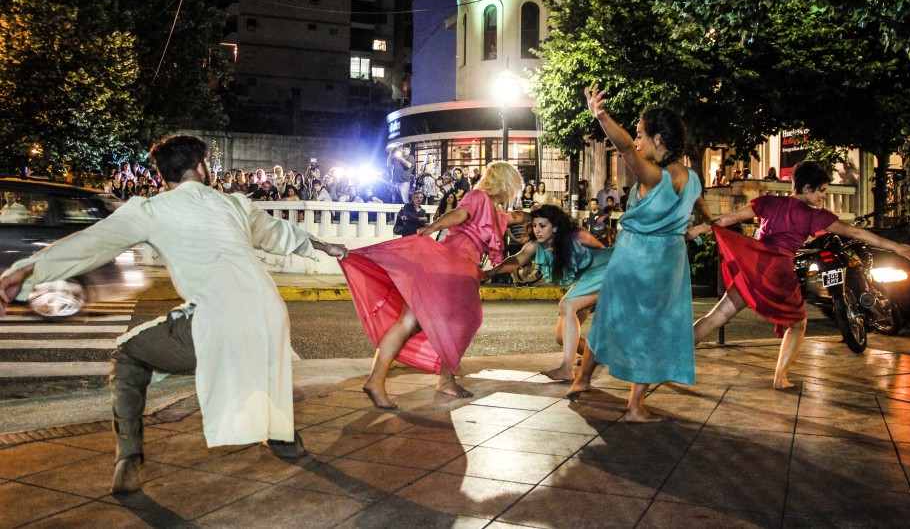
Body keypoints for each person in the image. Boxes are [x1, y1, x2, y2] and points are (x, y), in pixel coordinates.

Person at [0, 135, 348, 494]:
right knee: (256, 359)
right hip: (270, 313)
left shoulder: (151, 210)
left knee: (127, 355)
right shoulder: (234, 204)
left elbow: (88, 243)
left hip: (219, 317)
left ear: (162, 174)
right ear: (200, 167)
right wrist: (326, 246)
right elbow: (279, 233)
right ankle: (284, 440)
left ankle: (128, 459)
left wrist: (23, 273)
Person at [687, 160, 910, 389]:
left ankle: (674, 358)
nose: (822, 196)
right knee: (797, 325)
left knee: (716, 316)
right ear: (807, 188)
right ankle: (780, 378)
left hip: (754, 267)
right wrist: (896, 247)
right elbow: (856, 233)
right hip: (778, 274)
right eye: (821, 191)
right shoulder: (813, 215)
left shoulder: (769, 202)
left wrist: (696, 230)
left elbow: (726, 219)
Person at [566, 84, 702, 423]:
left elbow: (624, 147)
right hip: (668, 263)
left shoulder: (654, 176)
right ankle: (635, 405)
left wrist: (601, 115)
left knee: (609, 317)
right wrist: (704, 227)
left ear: (658, 139)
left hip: (633, 258)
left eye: (641, 134)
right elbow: (700, 209)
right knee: (654, 329)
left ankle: (582, 380)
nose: (637, 141)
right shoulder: (692, 178)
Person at [339, 161, 523, 409]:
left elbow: (515, 219)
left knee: (411, 322)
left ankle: (379, 380)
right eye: (515, 185)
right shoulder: (478, 197)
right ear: (507, 183)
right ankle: (442, 380)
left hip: (452, 267)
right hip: (452, 267)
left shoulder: (494, 210)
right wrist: (433, 227)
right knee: (459, 322)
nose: (516, 191)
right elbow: (459, 215)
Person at [487, 204, 612, 380]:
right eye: (534, 225)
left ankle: (567, 369)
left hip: (605, 273)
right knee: (562, 337)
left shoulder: (577, 235)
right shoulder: (535, 246)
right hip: (585, 283)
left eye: (542, 226)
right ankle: (596, 357)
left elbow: (604, 255)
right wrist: (492, 271)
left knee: (567, 305)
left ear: (554, 227)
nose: (537, 230)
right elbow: (517, 260)